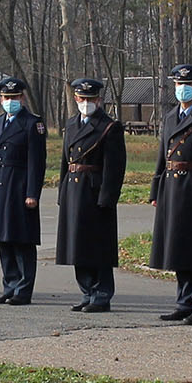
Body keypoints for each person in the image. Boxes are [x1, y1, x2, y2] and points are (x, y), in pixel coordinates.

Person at [149, 64, 192, 325]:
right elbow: (161, 156)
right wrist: (156, 189)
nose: (182, 89)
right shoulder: (169, 117)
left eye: (186, 85)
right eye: (178, 85)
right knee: (178, 246)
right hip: (172, 187)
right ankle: (184, 301)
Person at [58, 77, 127, 312]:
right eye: (82, 98)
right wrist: (62, 192)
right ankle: (87, 290)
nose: (86, 103)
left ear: (99, 100)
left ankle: (102, 293)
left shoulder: (109, 127)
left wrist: (107, 197)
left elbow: (115, 167)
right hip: (74, 189)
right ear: (76, 98)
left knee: (97, 245)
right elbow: (64, 162)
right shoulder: (71, 124)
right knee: (77, 245)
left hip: (95, 190)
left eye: (91, 99)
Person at [0, 77, 46, 305]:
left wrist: (32, 193)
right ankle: (9, 285)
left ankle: (23, 288)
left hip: (19, 187)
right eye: (6, 97)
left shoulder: (32, 124)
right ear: (1, 99)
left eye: (15, 97)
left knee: (21, 240)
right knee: (4, 239)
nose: (10, 101)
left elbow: (36, 162)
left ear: (22, 97)